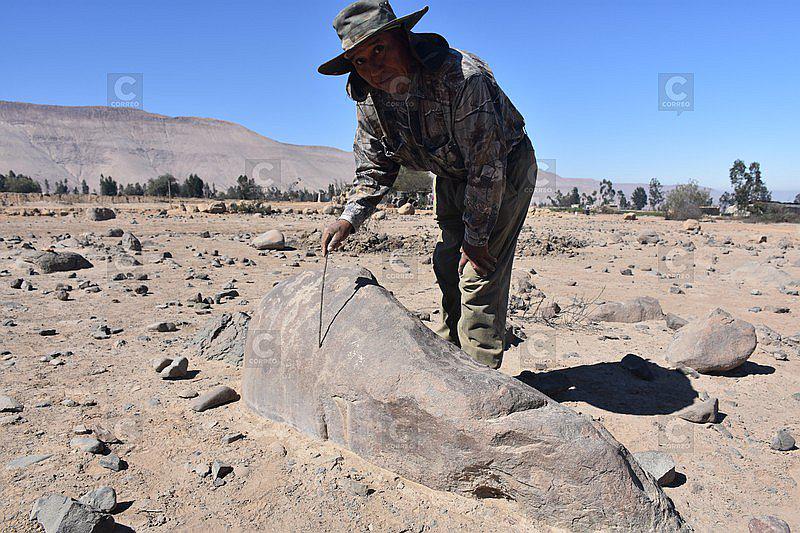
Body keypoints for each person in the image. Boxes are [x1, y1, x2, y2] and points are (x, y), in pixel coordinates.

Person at [319, 0, 537, 369]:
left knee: (478, 270)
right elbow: (375, 167)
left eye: (378, 49)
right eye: (360, 60)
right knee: (447, 262)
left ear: (403, 39)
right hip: (452, 174)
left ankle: (481, 378)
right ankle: (450, 361)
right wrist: (348, 219)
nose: (373, 67)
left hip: (502, 169)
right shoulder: (370, 100)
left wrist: (478, 236)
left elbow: (486, 166)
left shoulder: (462, 78)